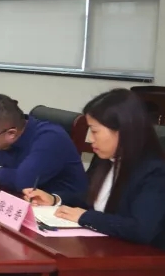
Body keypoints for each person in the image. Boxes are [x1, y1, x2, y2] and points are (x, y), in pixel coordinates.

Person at [24, 89, 165, 248]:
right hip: (102, 247)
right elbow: (90, 198)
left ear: (122, 131)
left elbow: (141, 229)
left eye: (95, 131)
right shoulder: (104, 158)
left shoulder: (155, 172)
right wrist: (55, 199)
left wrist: (85, 217)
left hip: (141, 257)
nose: (90, 139)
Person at [0, 94, 87, 198]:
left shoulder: (50, 138)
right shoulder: (5, 138)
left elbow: (24, 181)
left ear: (11, 133)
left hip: (64, 213)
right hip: (28, 203)